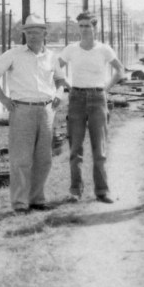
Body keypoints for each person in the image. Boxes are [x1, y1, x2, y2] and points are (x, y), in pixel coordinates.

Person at [0, 14, 67, 214]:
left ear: (44, 34)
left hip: (46, 111)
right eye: (28, 32)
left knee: (43, 159)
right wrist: (3, 99)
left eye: (36, 32)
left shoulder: (52, 56)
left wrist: (59, 94)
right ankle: (20, 204)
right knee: (21, 160)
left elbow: (60, 80)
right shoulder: (13, 54)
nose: (32, 36)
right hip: (21, 110)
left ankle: (37, 200)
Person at [58, 11, 124, 204]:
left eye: (88, 26)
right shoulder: (71, 49)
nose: (84, 29)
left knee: (99, 150)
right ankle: (75, 191)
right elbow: (55, 67)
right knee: (75, 149)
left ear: (95, 28)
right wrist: (64, 83)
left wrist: (106, 88)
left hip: (97, 99)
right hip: (76, 99)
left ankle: (102, 191)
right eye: (81, 26)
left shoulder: (104, 49)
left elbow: (120, 70)